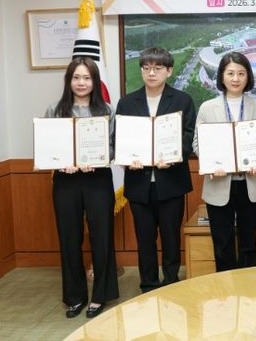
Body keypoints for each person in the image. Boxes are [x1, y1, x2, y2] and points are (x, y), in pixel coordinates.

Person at [115, 47, 196, 292]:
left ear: (169, 71)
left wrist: (173, 157)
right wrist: (128, 158)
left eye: (158, 68)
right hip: (139, 182)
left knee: (171, 237)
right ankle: (148, 285)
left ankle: (171, 282)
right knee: (145, 238)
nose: (151, 73)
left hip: (171, 181)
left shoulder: (182, 100)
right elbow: (120, 139)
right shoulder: (127, 103)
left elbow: (188, 136)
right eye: (146, 68)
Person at [46, 57, 119, 319]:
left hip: (97, 180)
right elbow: (48, 146)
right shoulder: (56, 109)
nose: (81, 83)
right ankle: (75, 297)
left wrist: (98, 160)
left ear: (95, 81)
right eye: (76, 77)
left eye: (87, 78)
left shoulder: (107, 110)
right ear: (69, 80)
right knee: (69, 237)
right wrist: (60, 162)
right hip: (65, 181)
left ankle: (100, 295)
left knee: (102, 236)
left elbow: (114, 146)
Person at [192, 52, 256, 271]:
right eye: (230, 73)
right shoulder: (207, 107)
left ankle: (245, 286)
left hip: (250, 184)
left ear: (248, 77)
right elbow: (197, 142)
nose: (236, 79)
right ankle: (224, 286)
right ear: (222, 76)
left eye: (241, 73)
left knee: (248, 243)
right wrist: (211, 163)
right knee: (222, 243)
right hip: (219, 183)